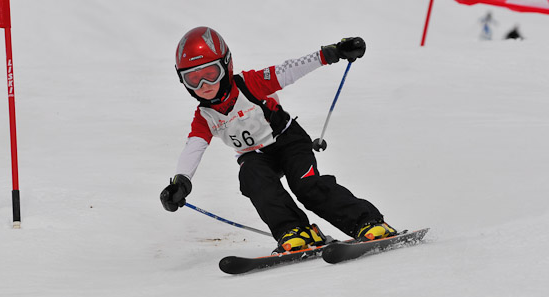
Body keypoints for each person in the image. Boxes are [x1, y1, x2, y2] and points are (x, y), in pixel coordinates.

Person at [160, 26, 396, 254]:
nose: (204, 86)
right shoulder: (204, 117)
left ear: (226, 66)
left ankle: (368, 222)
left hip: (288, 142)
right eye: (193, 79)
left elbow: (288, 70)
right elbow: (194, 146)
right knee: (252, 178)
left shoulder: (249, 84)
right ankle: (296, 232)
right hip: (256, 157)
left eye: (211, 74)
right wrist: (181, 183)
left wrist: (330, 52)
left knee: (306, 186)